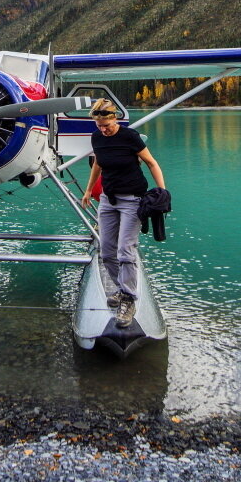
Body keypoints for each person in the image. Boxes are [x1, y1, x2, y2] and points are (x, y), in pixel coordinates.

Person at [80, 98, 165, 329]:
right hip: (108, 200)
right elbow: (98, 162)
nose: (103, 130)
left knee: (125, 250)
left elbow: (151, 163)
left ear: (114, 118)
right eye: (99, 126)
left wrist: (162, 191)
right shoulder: (97, 137)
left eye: (106, 125)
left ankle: (128, 299)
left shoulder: (130, 137)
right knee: (107, 251)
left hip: (132, 200)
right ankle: (121, 288)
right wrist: (89, 190)